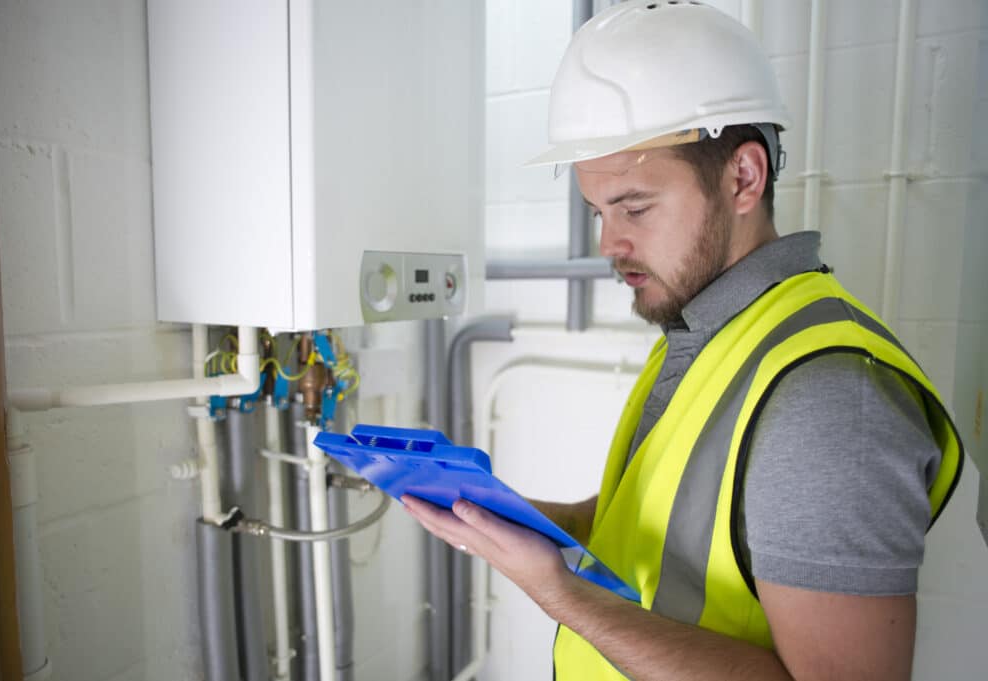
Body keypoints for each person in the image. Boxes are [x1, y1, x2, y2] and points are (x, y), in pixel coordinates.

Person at [403, 2, 964, 679]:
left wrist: (557, 590)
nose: (608, 243)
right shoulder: (706, 332)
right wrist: (521, 519)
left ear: (743, 178)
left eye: (635, 207)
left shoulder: (827, 402)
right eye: (599, 211)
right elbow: (670, 536)